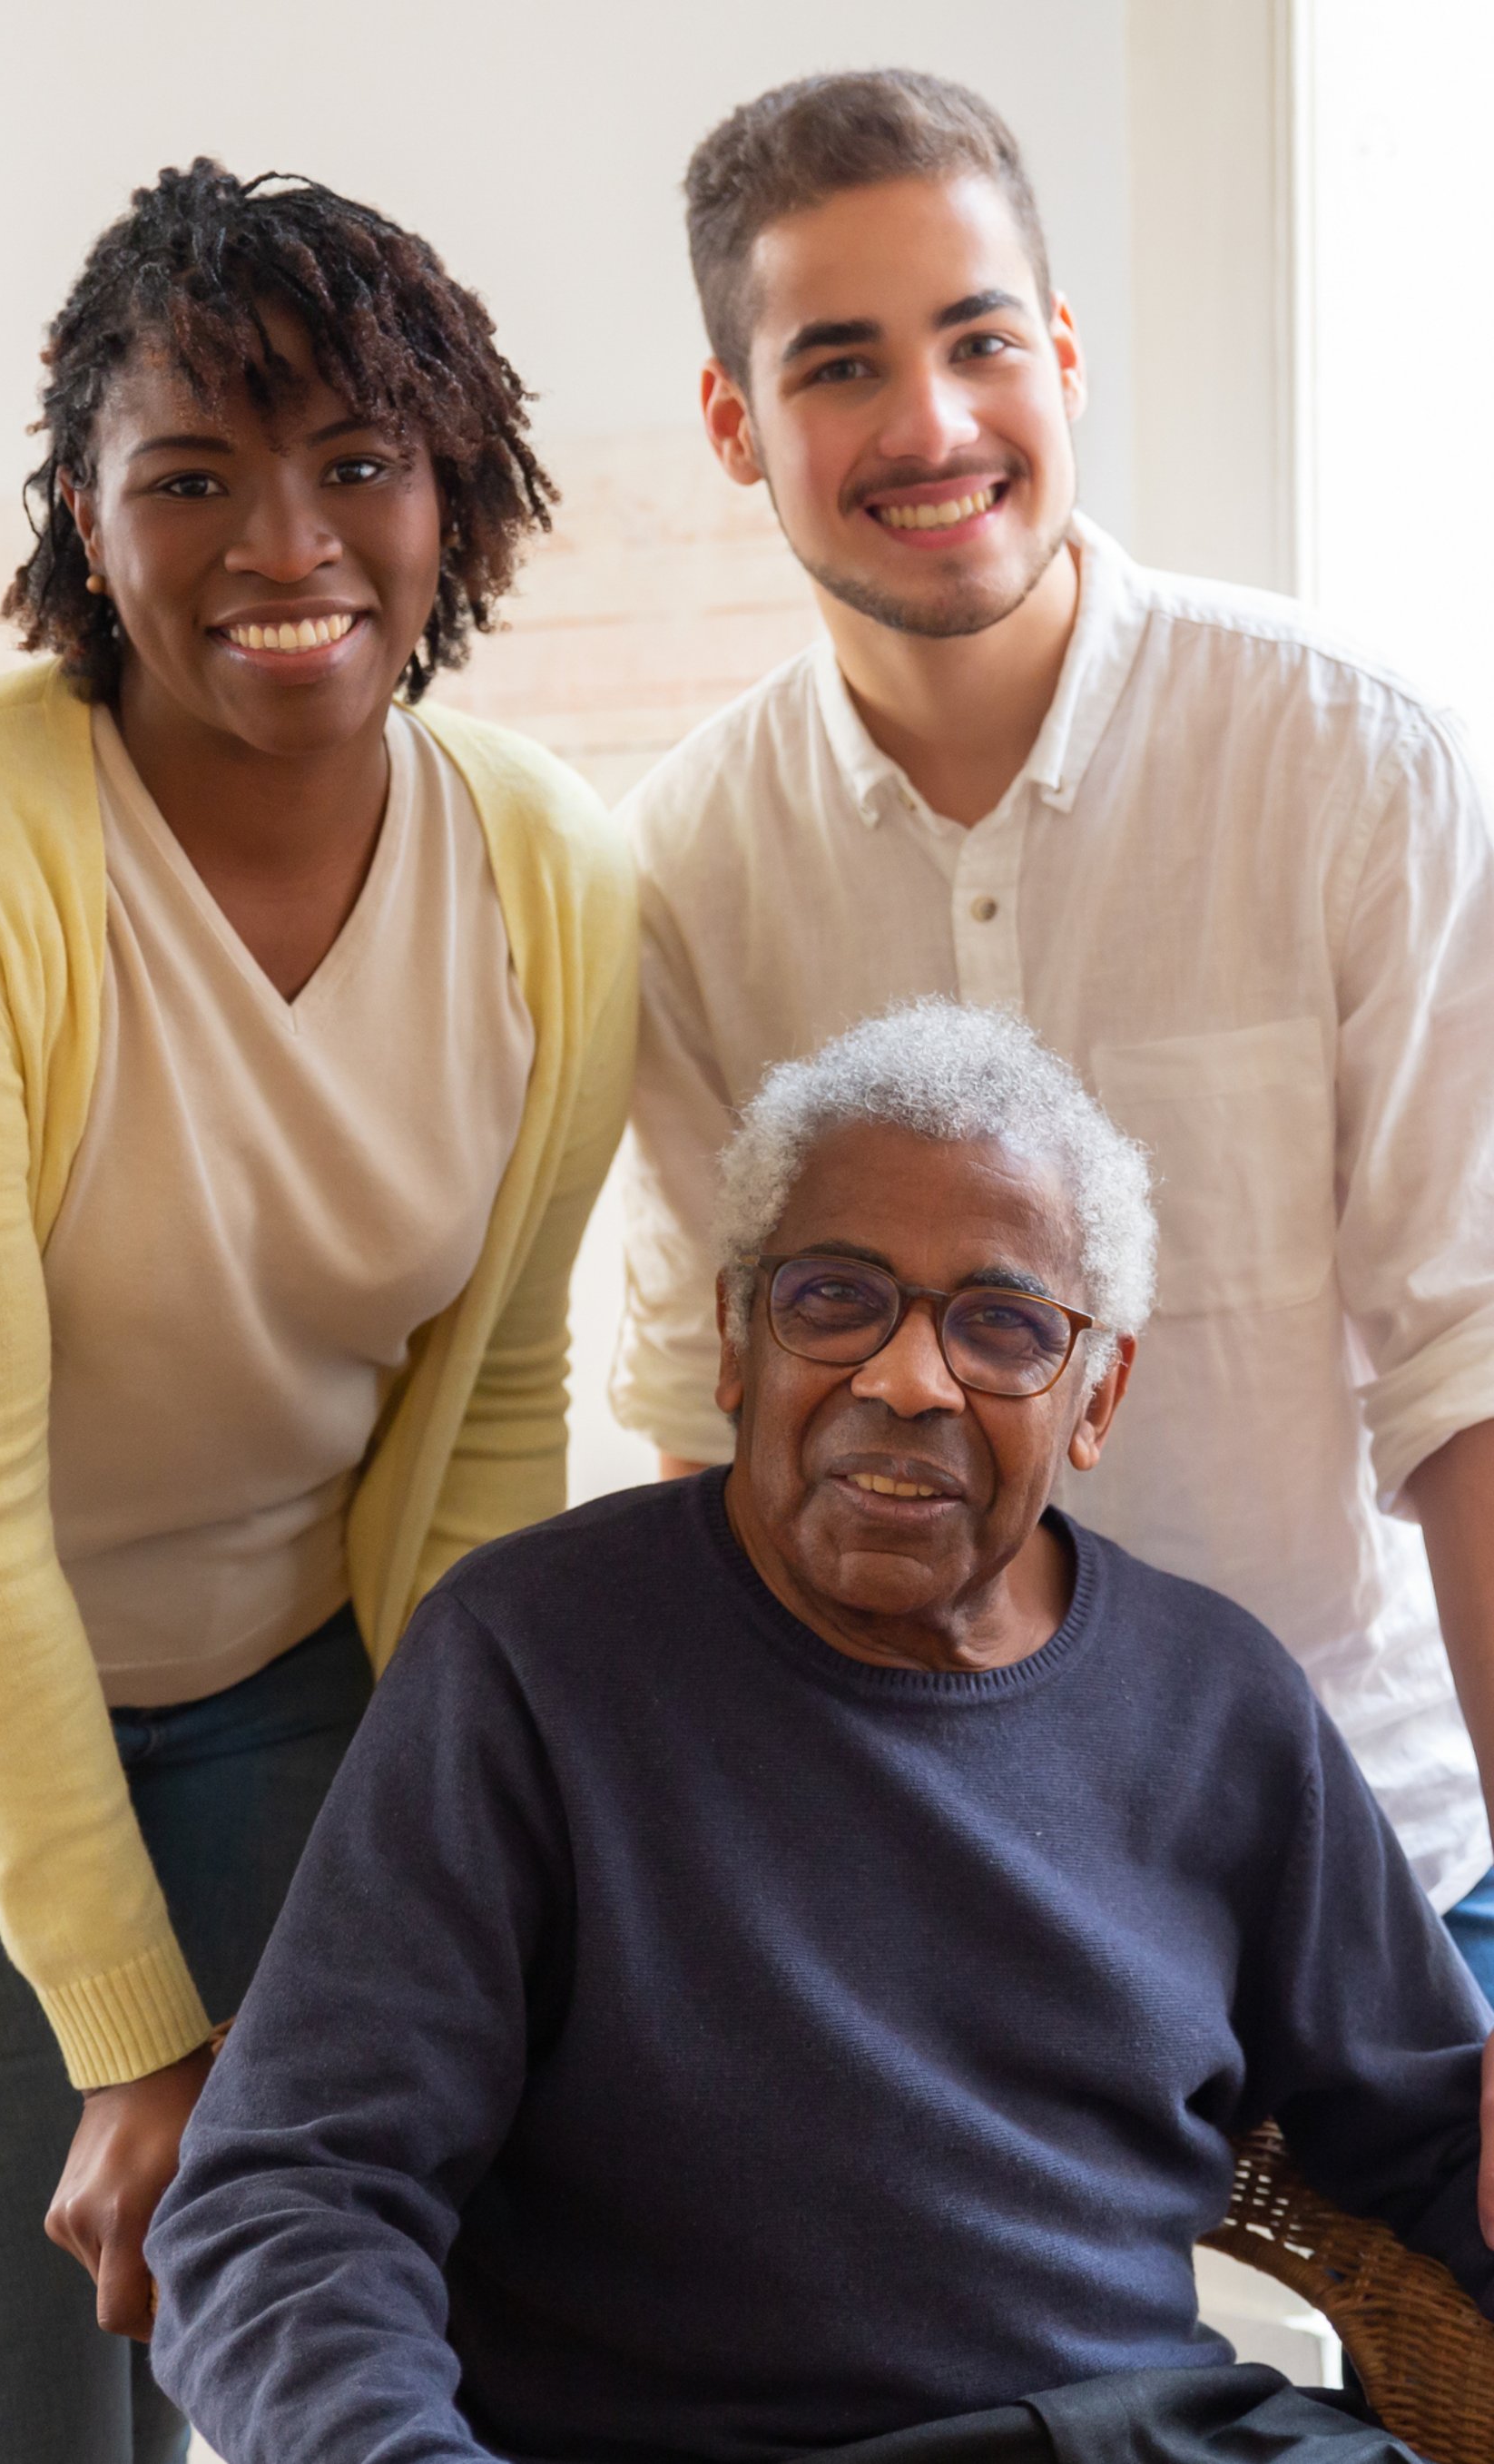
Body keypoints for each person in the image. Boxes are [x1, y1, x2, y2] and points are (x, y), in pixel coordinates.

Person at [0, 161, 634, 2464]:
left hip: (289, 1695)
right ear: (81, 507)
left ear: (460, 496)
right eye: (194, 473)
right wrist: (137, 2037)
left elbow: (496, 1407)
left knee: (274, 2377)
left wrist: (468, 1855)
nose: (285, 541)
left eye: (360, 460)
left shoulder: (553, 867)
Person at [148, 998, 1489, 2464]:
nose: (907, 1381)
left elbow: (1439, 2143)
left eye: (1002, 1326)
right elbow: (287, 2200)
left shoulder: (1220, 1701)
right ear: (735, 1340)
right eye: (838, 1298)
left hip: (1154, 2436)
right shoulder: (533, 1658)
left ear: (1095, 1395)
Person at [611, 67, 1494, 2000]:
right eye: (838, 363)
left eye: (979, 338)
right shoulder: (674, 869)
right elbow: (716, 1426)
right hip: (912, 1903)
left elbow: (1473, 1368)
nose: (930, 424)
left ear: (1063, 353)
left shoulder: (1357, 764)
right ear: (734, 424)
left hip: (1378, 1868)